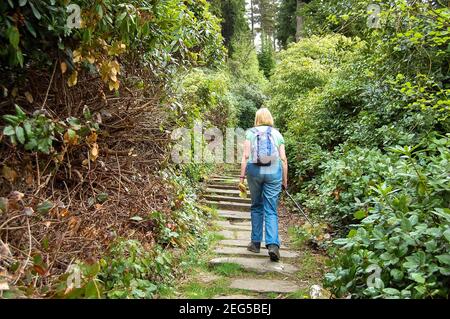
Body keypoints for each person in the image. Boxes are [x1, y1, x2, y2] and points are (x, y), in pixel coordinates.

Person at [238, 108, 288, 262]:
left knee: (256, 205)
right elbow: (283, 159)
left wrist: (241, 177)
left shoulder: (250, 133)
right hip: (274, 171)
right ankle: (273, 245)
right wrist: (284, 181)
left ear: (257, 118)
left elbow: (246, 156)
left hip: (255, 170)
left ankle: (255, 243)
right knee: (271, 209)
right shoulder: (277, 134)